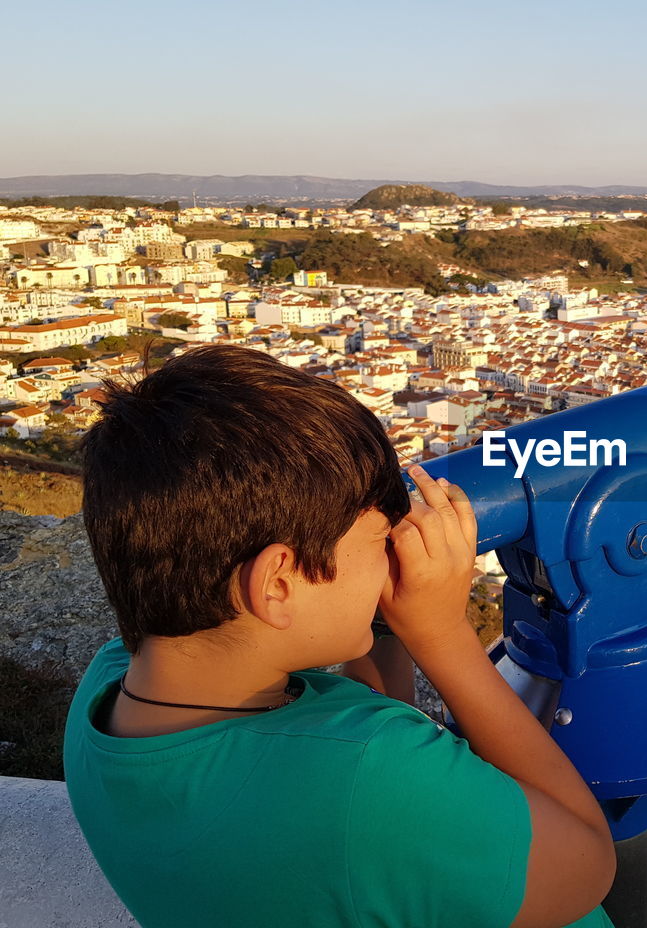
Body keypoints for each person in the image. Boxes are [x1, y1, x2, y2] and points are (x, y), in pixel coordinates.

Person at [62, 346, 615, 928]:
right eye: (380, 540)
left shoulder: (104, 695)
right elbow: (587, 865)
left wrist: (386, 623)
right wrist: (444, 635)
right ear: (277, 584)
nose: (393, 554)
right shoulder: (370, 775)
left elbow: (362, 839)